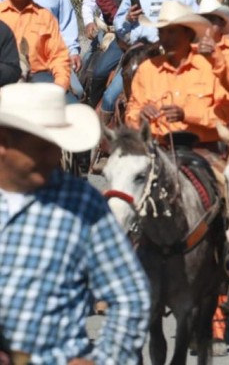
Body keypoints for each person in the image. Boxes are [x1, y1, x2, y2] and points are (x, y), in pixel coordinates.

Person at [0, 82, 150, 363]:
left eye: (56, 147)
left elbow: (130, 297)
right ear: (4, 142)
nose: (55, 157)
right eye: (42, 148)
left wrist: (105, 359)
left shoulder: (82, 203)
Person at [106, 0, 197, 120]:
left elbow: (196, 25)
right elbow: (120, 27)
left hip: (174, 57)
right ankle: (104, 145)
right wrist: (128, 19)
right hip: (139, 55)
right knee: (109, 97)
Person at [126, 0, 229, 145]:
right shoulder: (147, 69)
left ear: (189, 33)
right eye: (161, 32)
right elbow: (131, 113)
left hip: (202, 149)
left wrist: (187, 115)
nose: (166, 39)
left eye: (172, 32)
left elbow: (226, 114)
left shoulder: (211, 67)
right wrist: (140, 115)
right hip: (159, 149)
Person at [10, 0, 83, 98]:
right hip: (14, 56)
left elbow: (67, 20)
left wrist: (73, 51)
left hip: (49, 56)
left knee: (77, 91)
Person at [0, 0, 72, 98]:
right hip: (4, 78)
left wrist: (60, 85)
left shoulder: (45, 17)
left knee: (74, 110)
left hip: (40, 77)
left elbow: (58, 55)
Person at [83, 0, 130, 107]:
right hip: (105, 27)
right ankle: (88, 100)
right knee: (87, 59)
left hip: (126, 30)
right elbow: (89, 2)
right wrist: (89, 22)